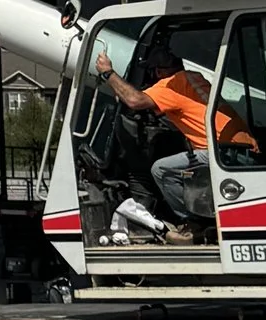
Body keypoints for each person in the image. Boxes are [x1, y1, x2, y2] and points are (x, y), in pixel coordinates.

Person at [91, 46, 256, 231]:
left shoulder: (171, 86)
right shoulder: (194, 78)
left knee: (161, 170)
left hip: (220, 154)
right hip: (244, 149)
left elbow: (134, 100)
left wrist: (108, 73)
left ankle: (195, 223)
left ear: (159, 72)